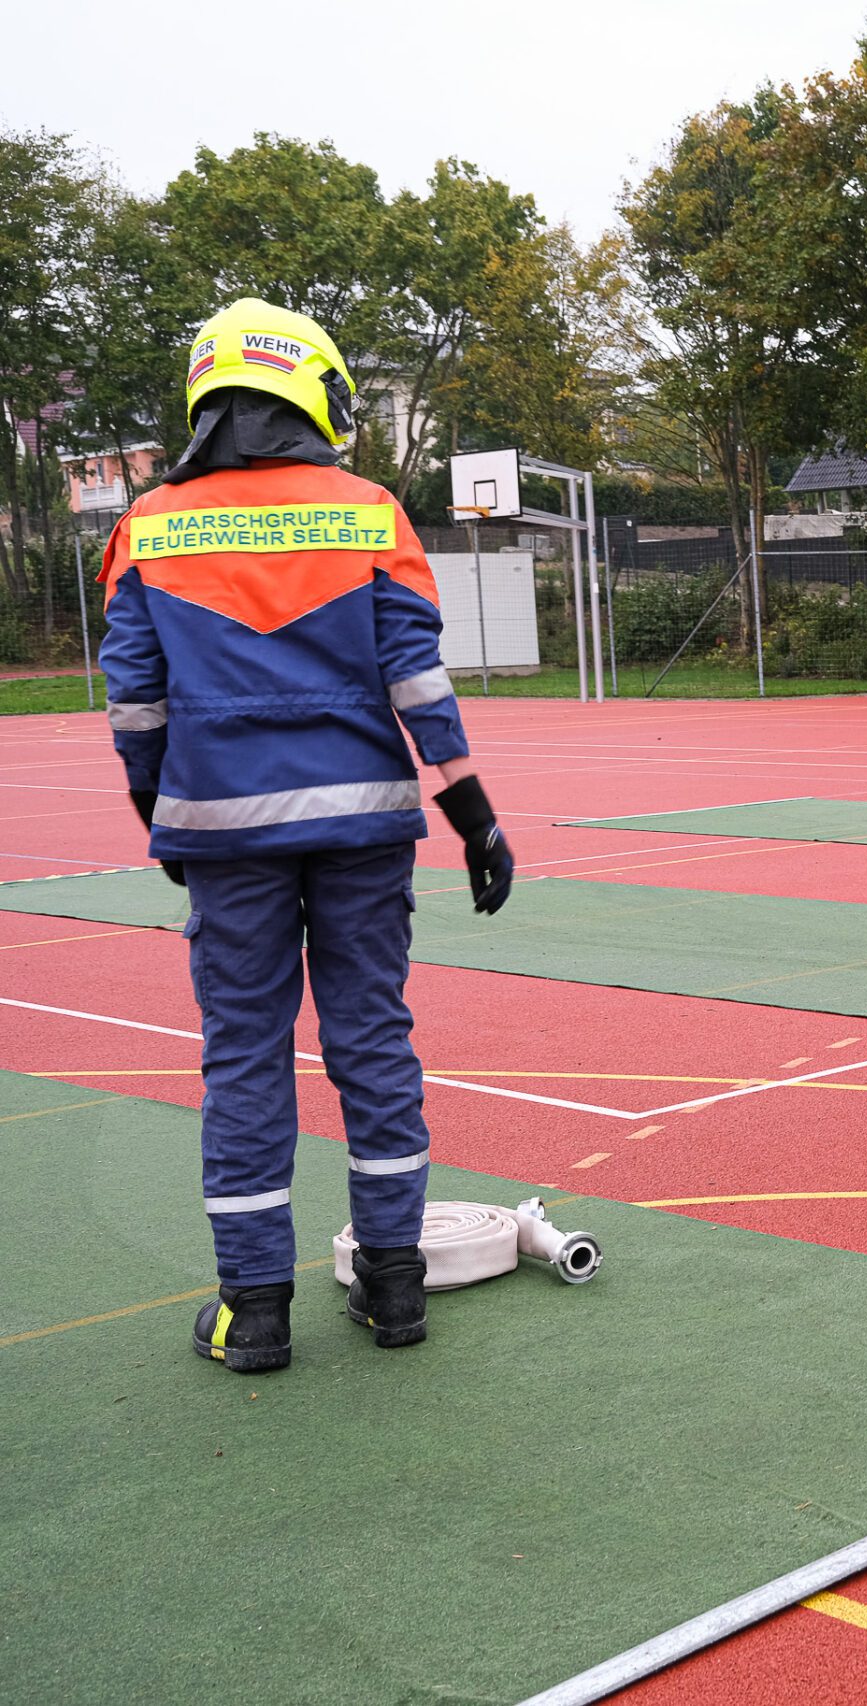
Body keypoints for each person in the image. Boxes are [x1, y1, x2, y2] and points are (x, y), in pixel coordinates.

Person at [98, 298, 517, 1373]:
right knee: (371, 1041)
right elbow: (417, 676)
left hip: (222, 833)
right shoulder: (370, 512)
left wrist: (160, 810)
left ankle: (254, 1312)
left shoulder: (150, 524)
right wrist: (471, 810)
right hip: (365, 826)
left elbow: (134, 701)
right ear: (314, 391)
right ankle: (394, 1286)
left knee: (245, 1056)